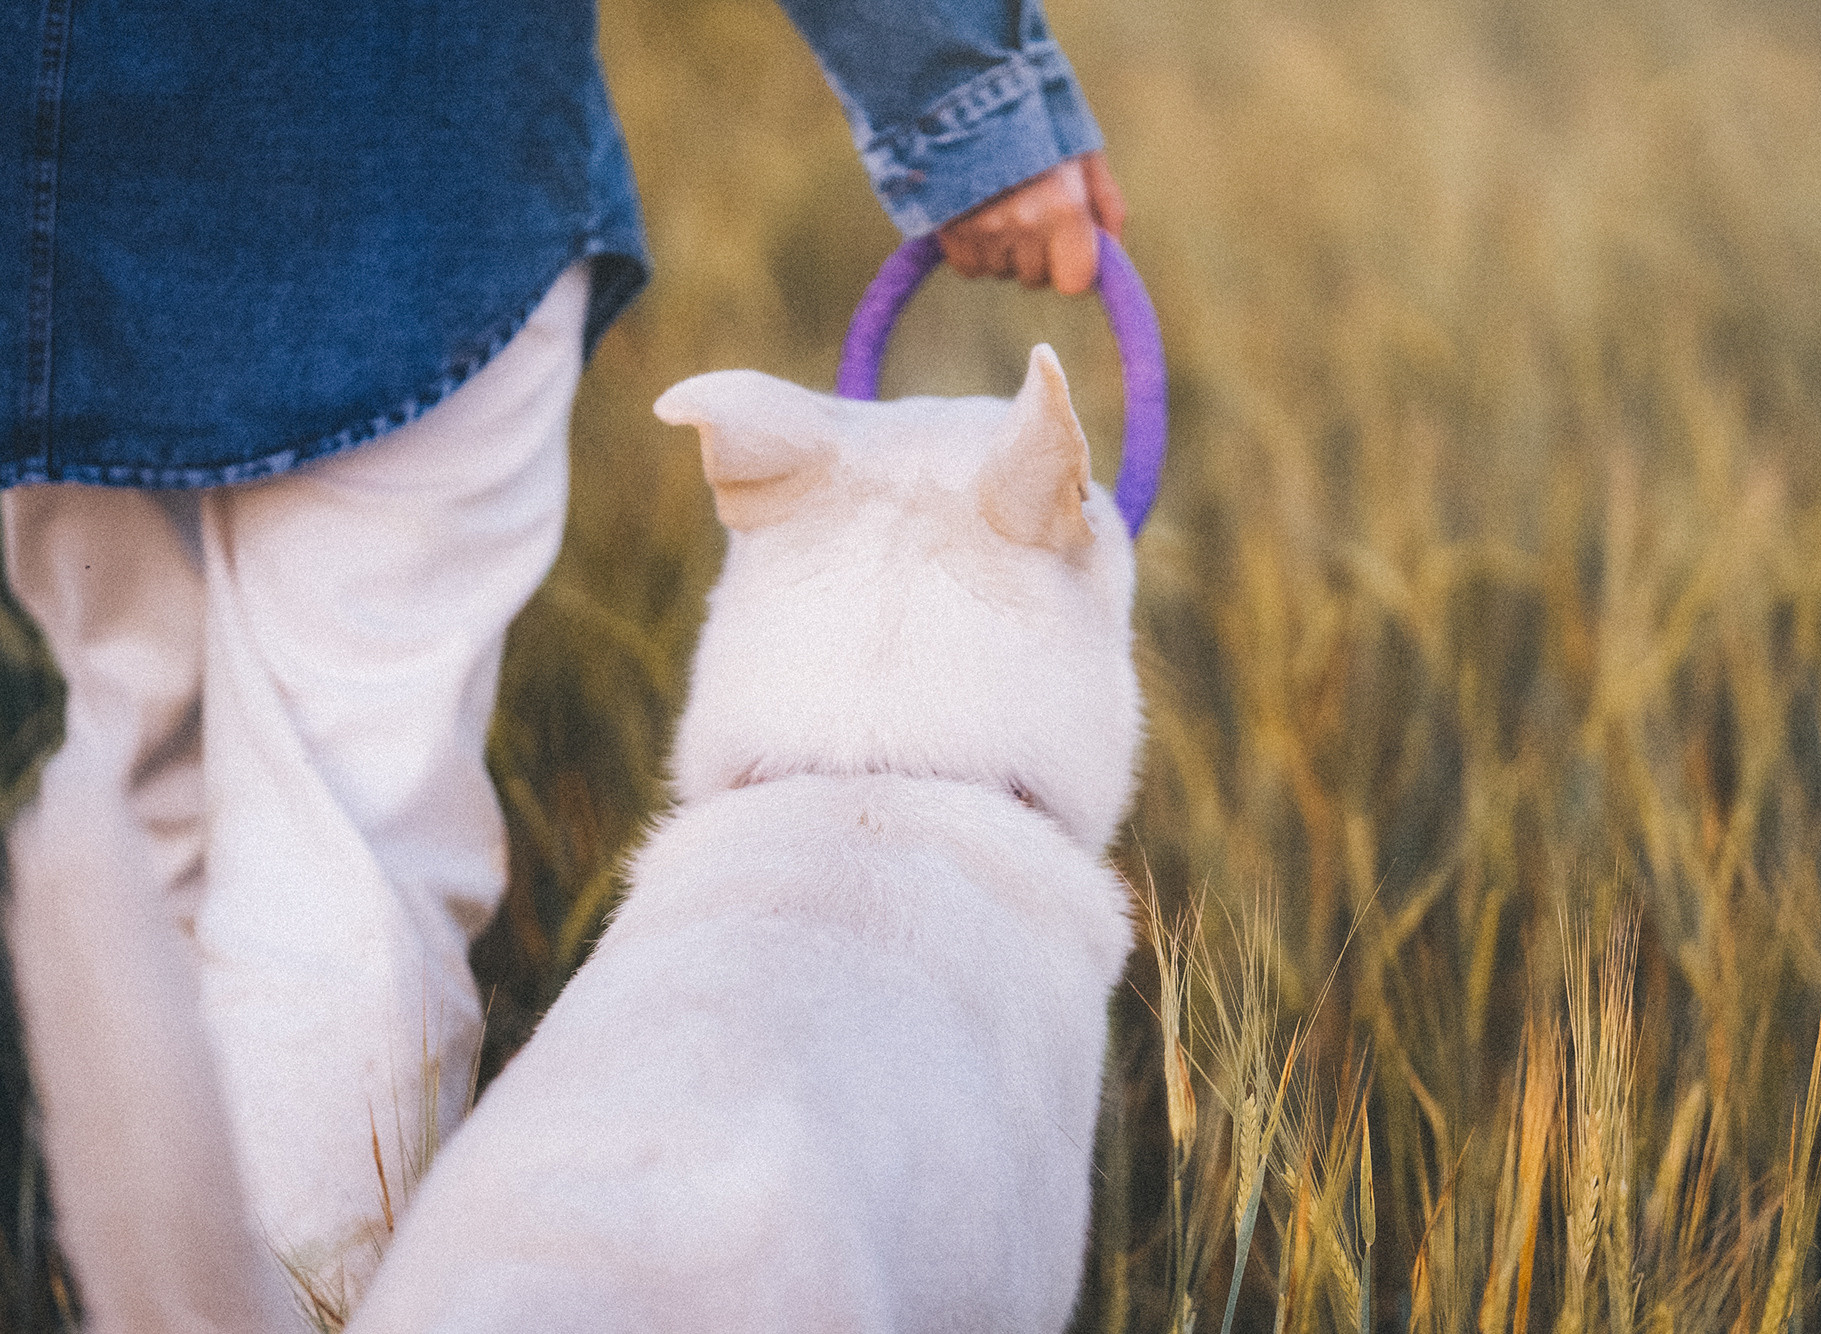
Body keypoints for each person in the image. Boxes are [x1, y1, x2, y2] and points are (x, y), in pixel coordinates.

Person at [0, 0, 1126, 1308]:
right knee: (343, 838)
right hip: (399, 156)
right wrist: (971, 108)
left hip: (35, 192)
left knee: (146, 777)